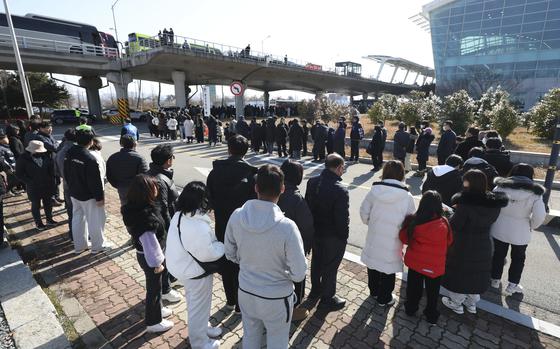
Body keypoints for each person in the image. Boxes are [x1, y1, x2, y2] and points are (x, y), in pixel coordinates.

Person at [225, 165, 307, 349]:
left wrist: (247, 261)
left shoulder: (237, 216)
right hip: (277, 299)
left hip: (246, 291)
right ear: (283, 189)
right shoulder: (287, 227)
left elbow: (229, 253)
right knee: (277, 341)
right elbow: (299, 273)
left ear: (256, 188)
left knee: (250, 336)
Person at [165, 182, 224, 349]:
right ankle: (199, 342)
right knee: (198, 306)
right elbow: (207, 254)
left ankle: (203, 328)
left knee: (196, 302)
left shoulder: (180, 215)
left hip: (182, 266)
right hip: (194, 271)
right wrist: (222, 246)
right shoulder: (196, 226)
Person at [441, 170, 508, 315]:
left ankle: (456, 303)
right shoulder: (494, 203)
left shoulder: (465, 203)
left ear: (467, 183)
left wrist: (452, 214)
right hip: (483, 242)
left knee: (460, 273)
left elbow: (456, 225)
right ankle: (471, 304)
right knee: (477, 273)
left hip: (463, 243)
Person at [207, 135, 257, 312]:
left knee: (227, 264)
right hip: (246, 228)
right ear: (246, 151)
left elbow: (209, 201)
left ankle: (230, 301)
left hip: (222, 225)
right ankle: (242, 304)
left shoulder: (214, 172)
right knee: (244, 266)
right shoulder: (252, 175)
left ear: (228, 149)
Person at [121, 175, 174, 333]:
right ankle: (154, 322)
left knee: (154, 287)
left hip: (144, 254)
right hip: (151, 257)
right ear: (147, 192)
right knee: (154, 289)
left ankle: (158, 309)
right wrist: (157, 263)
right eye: (154, 187)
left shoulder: (133, 207)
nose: (157, 189)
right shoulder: (145, 216)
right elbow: (150, 243)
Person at [359, 160, 415, 306]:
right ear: (402, 174)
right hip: (393, 239)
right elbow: (410, 220)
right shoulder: (407, 196)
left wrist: (371, 223)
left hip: (375, 235)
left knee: (373, 263)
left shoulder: (374, 191)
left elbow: (364, 212)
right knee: (388, 268)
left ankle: (374, 291)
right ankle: (384, 298)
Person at [490, 164, 546, 295]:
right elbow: (539, 216)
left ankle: (495, 280)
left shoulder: (500, 187)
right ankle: (512, 285)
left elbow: (492, 207)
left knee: (498, 255)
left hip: (499, 226)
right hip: (521, 229)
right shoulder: (535, 193)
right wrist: (531, 226)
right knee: (518, 259)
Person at [399, 191, 453, 324]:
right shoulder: (444, 222)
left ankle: (411, 309)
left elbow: (403, 238)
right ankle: (431, 315)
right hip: (435, 266)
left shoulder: (414, 221)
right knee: (433, 292)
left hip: (416, 264)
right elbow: (449, 241)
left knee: (413, 289)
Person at [305, 153, 349, 310]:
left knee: (317, 263)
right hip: (333, 236)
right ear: (338, 168)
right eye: (343, 168)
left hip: (316, 232)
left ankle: (315, 290)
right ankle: (327, 298)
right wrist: (344, 237)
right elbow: (342, 219)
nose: (343, 171)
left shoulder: (312, 182)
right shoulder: (340, 189)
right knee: (330, 267)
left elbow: (308, 208)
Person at [64, 130, 111, 254]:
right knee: (94, 220)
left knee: (77, 219)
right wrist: (99, 198)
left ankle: (79, 246)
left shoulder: (70, 152)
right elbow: (94, 181)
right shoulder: (90, 158)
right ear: (91, 142)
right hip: (88, 195)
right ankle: (97, 246)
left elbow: (66, 173)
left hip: (74, 192)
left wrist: (71, 187)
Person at [277, 160, 314, 321]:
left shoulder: (273, 190)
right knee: (297, 277)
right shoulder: (297, 198)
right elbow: (306, 227)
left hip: (273, 248)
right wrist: (306, 248)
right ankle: (294, 308)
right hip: (292, 248)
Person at [15, 140, 57, 231]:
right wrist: (30, 181)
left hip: (47, 185)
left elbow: (51, 170)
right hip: (33, 187)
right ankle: (39, 223)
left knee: (48, 204)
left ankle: (49, 220)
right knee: (36, 205)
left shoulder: (46, 156)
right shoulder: (23, 158)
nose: (40, 153)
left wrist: (53, 181)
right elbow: (19, 174)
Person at [106, 135, 149, 206]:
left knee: (125, 208)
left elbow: (109, 175)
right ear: (135, 144)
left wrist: (117, 185)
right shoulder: (139, 158)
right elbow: (145, 177)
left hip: (121, 187)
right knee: (138, 209)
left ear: (121, 144)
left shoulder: (113, 157)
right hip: (136, 189)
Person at [147, 145, 180, 231]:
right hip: (163, 224)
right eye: (173, 157)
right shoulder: (160, 181)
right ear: (168, 161)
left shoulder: (150, 172)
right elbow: (164, 210)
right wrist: (171, 230)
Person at [55, 129, 77, 239]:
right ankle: (81, 236)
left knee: (71, 211)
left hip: (66, 185)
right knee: (80, 212)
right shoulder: (75, 151)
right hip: (78, 187)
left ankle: (72, 234)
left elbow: (56, 171)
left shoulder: (60, 151)